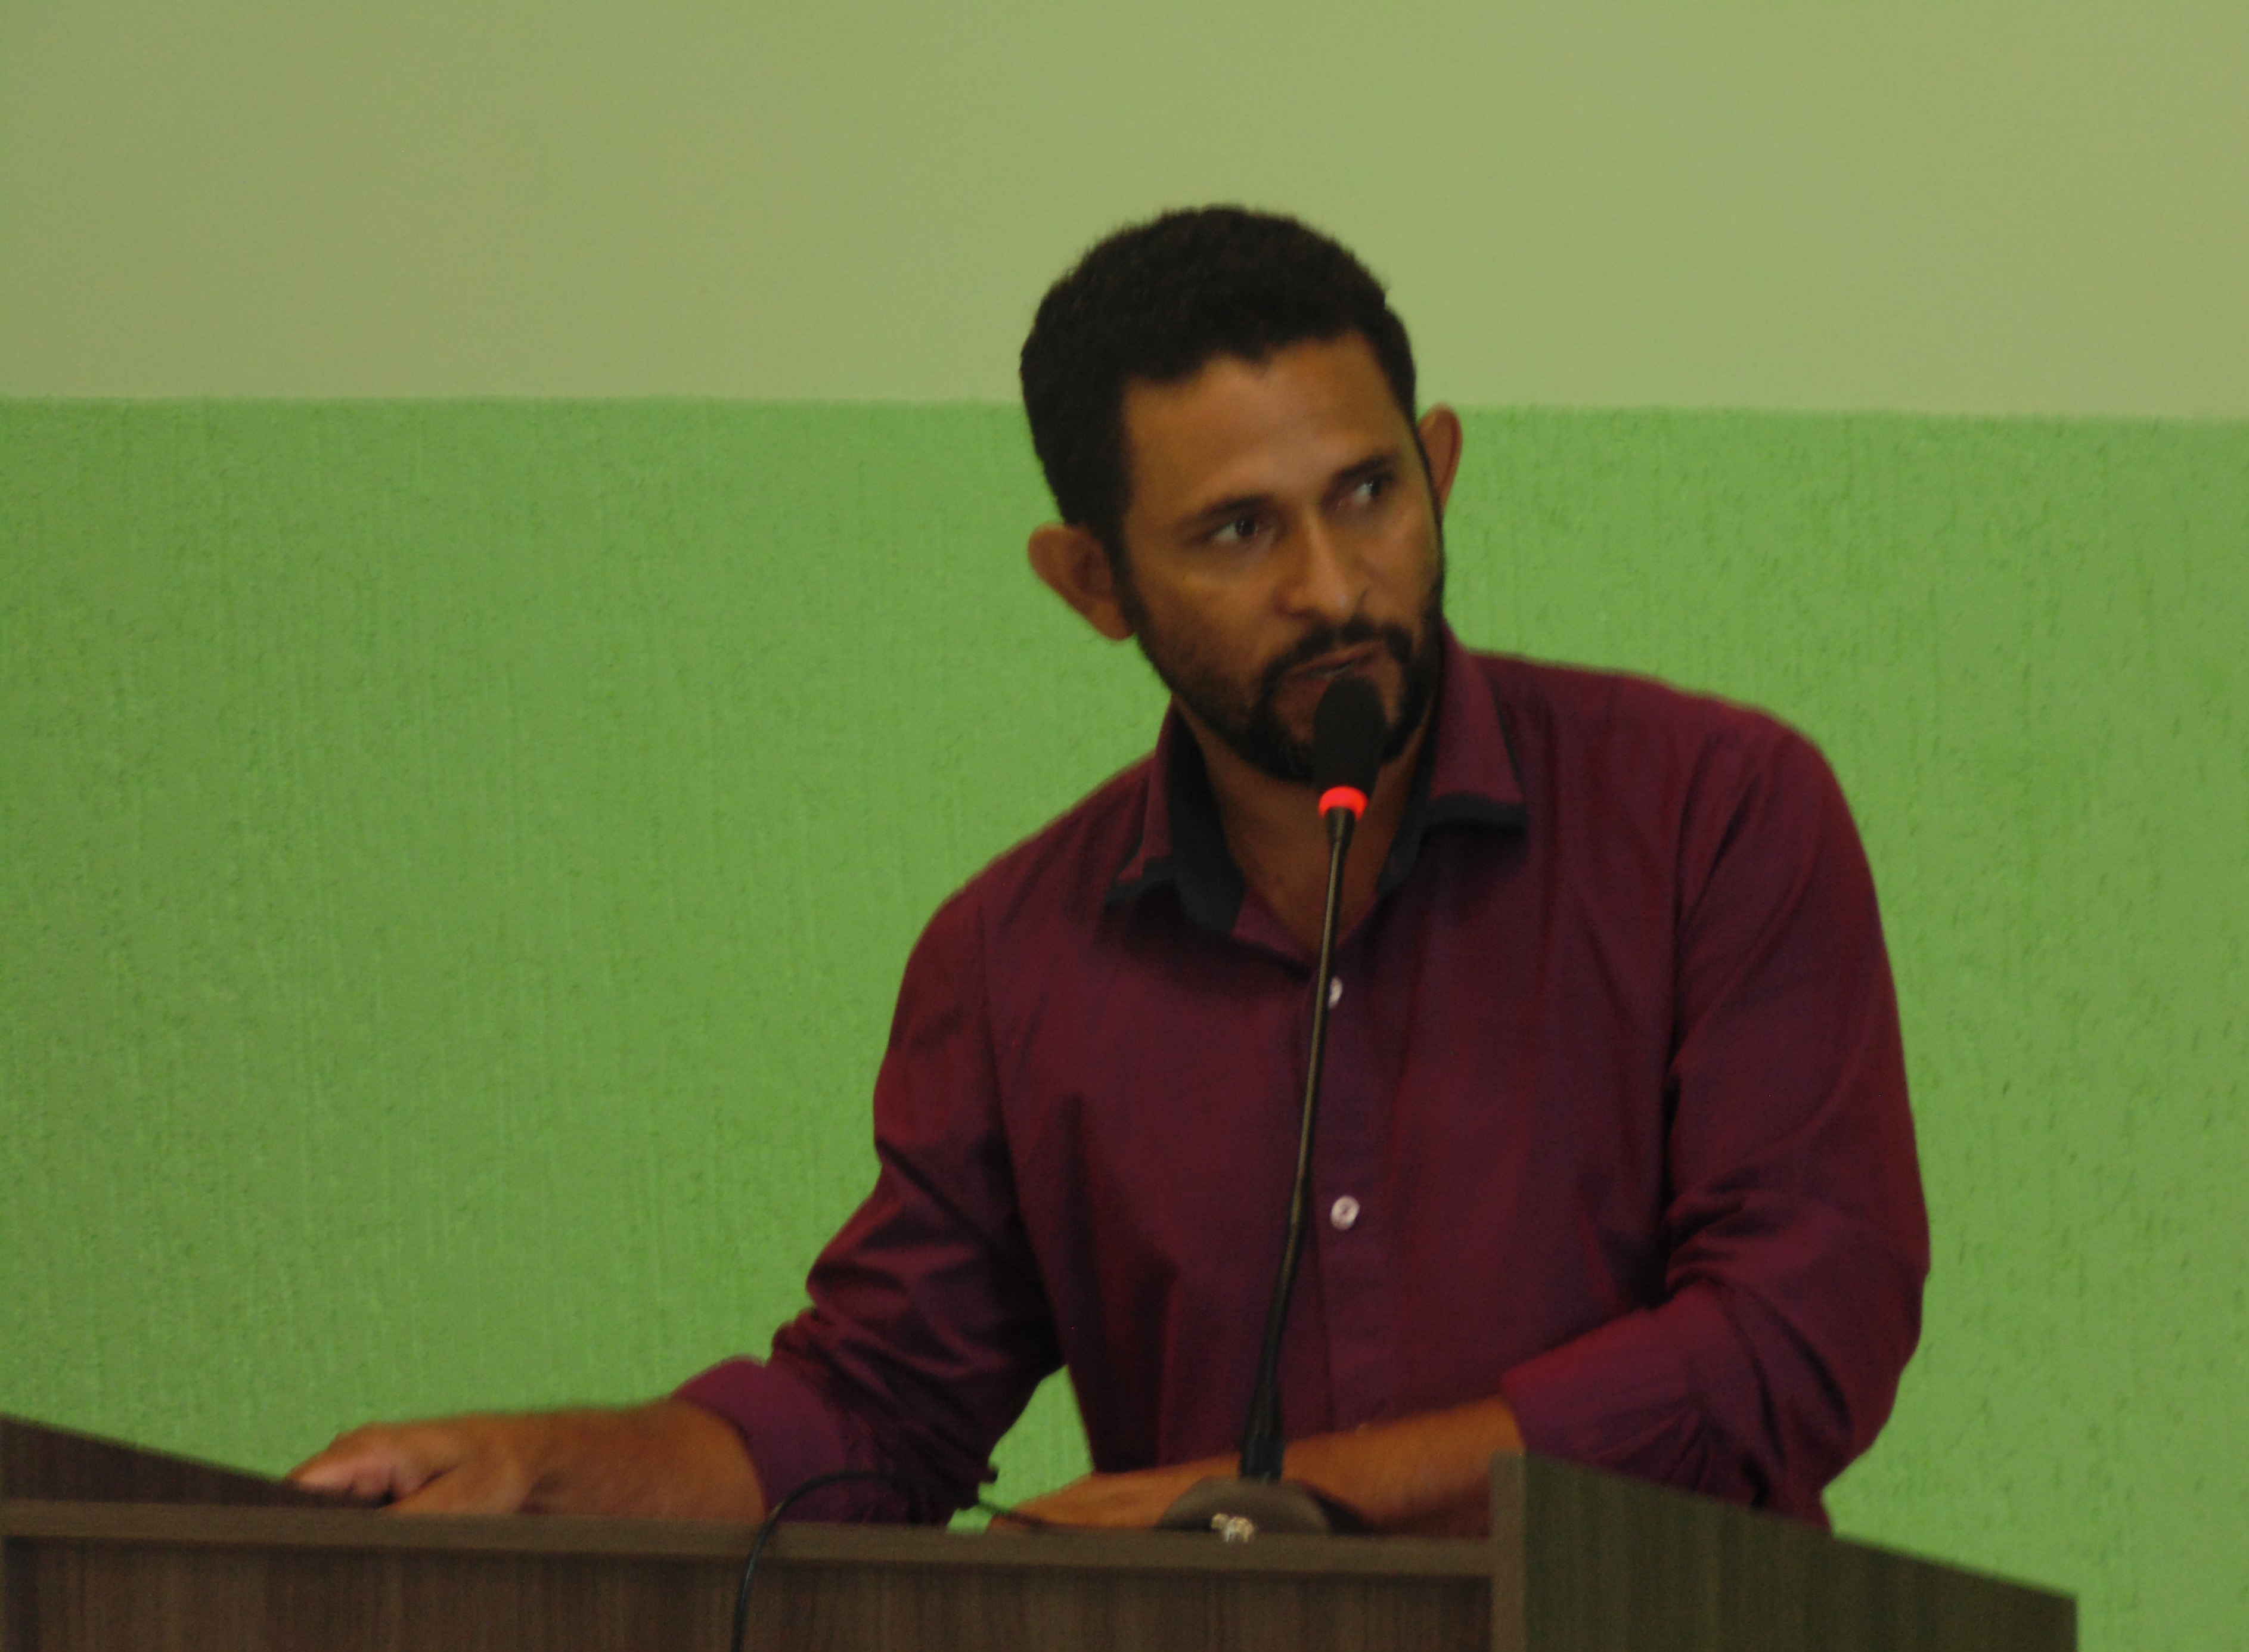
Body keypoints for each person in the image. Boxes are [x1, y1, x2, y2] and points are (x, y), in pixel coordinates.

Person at [294, 208, 1928, 1535]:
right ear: (1091, 582)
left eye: (1368, 494)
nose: (1332, 586)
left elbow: (1801, 1332)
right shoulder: (1015, 958)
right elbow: (874, 1420)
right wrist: (540, 1470)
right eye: (1237, 532)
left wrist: (1279, 1505)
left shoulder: (1713, 815)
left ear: (1439, 464)